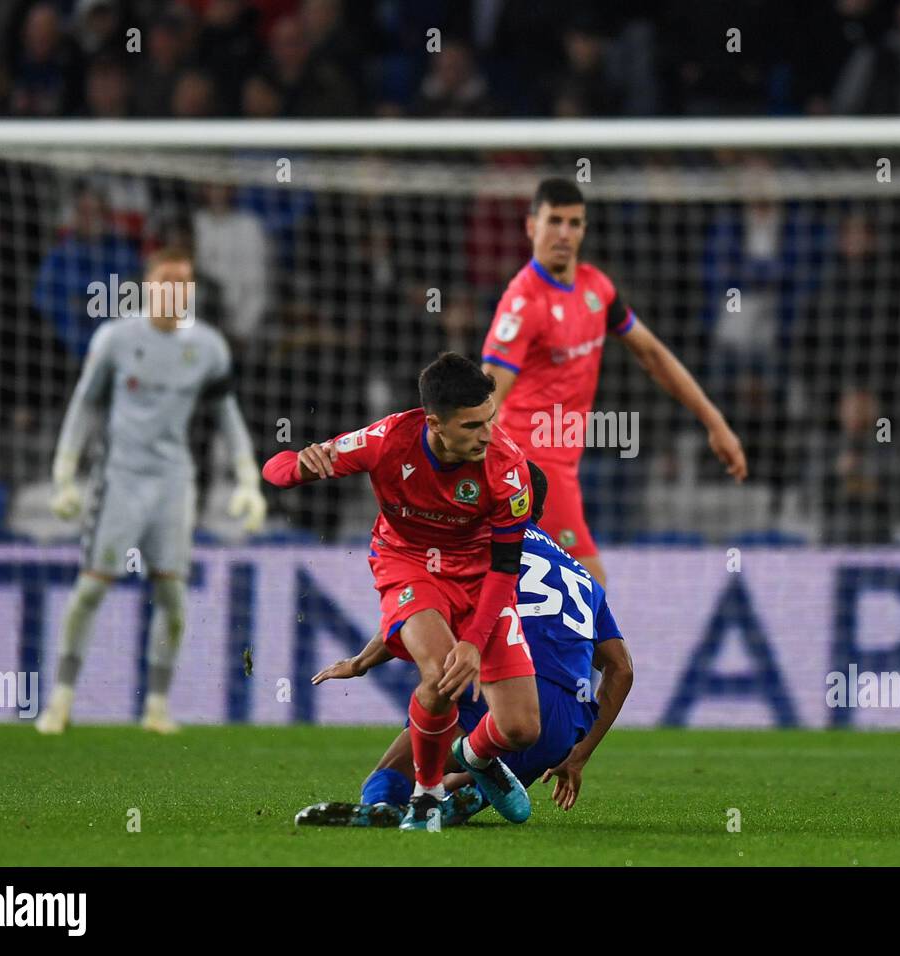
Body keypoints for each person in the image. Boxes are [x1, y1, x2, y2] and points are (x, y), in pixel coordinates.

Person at [262, 353, 542, 829]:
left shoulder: (508, 467)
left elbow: (505, 565)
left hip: (479, 577)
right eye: (473, 425)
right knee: (439, 675)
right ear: (434, 423)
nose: (488, 434)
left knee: (521, 729)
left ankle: (473, 756)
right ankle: (427, 796)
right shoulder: (387, 440)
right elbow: (274, 469)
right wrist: (299, 465)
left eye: (490, 419)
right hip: (408, 565)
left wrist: (474, 640)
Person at [297, 461, 634, 827]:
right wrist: (578, 755)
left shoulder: (477, 543)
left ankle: (386, 804)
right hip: (564, 724)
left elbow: (419, 608)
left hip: (504, 696)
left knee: (389, 777)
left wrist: (361, 662)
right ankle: (470, 781)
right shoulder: (581, 574)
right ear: (538, 509)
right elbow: (621, 669)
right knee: (470, 770)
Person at [36, 247, 267, 734]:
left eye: (183, 282)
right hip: (119, 477)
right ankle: (60, 699)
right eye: (165, 280)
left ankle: (157, 706)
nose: (174, 290)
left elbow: (228, 416)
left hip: (173, 482)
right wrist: (63, 471)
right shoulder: (117, 338)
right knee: (91, 588)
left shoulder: (207, 347)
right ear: (147, 285)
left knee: (173, 598)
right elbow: (84, 404)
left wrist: (249, 479)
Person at [481, 178, 747, 585]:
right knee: (591, 591)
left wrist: (715, 422)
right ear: (531, 225)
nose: (564, 234)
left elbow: (652, 355)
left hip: (562, 467)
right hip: (531, 465)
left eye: (575, 223)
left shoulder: (596, 289)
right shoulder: (524, 303)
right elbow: (488, 394)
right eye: (554, 221)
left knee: (537, 608)